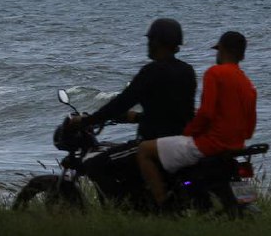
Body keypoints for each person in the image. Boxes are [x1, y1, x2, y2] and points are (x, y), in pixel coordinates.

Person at [136, 30, 256, 207]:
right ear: (242, 55)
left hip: (209, 146)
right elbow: (249, 130)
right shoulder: (248, 84)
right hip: (236, 147)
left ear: (221, 49)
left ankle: (163, 204)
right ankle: (242, 203)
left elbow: (206, 113)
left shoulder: (215, 73)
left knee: (144, 150)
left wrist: (189, 131)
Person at [67, 18, 197, 141]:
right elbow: (172, 113)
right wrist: (137, 117)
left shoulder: (151, 71)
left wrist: (87, 121)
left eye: (150, 40)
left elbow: (121, 104)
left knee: (101, 158)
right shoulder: (187, 70)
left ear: (156, 42)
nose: (148, 44)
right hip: (182, 140)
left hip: (153, 141)